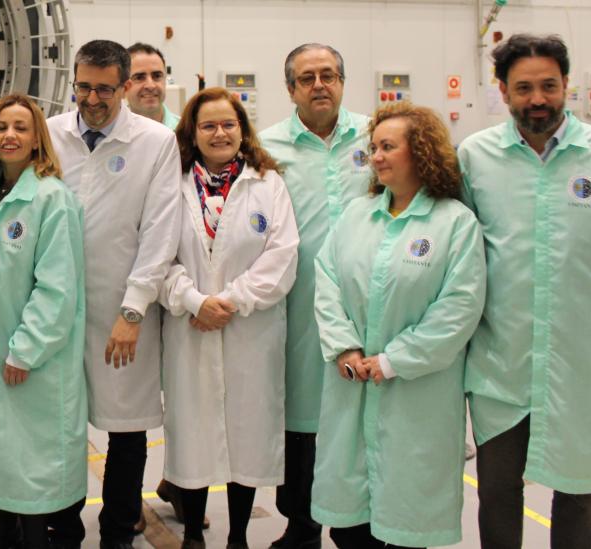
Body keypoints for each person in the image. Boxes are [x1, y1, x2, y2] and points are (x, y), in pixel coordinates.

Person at [458, 34, 591, 549]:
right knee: (498, 489)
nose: (537, 99)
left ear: (566, 85)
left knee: (579, 487)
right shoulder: (475, 158)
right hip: (500, 360)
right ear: (503, 91)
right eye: (524, 88)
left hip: (585, 360)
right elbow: (457, 258)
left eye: (549, 85)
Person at [312, 102, 486, 549]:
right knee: (349, 524)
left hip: (418, 393)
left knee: (409, 518)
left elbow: (458, 309)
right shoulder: (357, 215)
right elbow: (327, 279)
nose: (376, 157)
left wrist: (392, 361)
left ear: (421, 152)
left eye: (388, 147)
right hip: (352, 382)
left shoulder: (454, 224)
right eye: (373, 148)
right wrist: (345, 346)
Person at [47, 39, 182, 549]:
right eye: (84, 87)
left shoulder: (153, 141)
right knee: (59, 422)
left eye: (105, 89)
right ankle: (61, 526)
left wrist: (133, 308)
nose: (93, 98)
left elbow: (160, 231)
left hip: (122, 307)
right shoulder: (53, 133)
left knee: (126, 428)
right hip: (57, 306)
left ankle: (118, 530)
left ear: (125, 86)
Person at [160, 87, 299, 549]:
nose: (219, 133)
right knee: (194, 433)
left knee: (248, 434)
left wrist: (230, 301)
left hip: (250, 330)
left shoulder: (267, 182)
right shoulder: (172, 182)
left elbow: (283, 255)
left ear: (242, 130)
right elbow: (156, 256)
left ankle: (238, 536)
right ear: (192, 133)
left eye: (228, 124)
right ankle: (193, 538)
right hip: (190, 326)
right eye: (208, 125)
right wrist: (193, 300)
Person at [257, 42, 371, 549]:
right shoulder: (267, 148)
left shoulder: (376, 136)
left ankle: (357, 526)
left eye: (329, 75)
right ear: (290, 89)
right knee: (300, 418)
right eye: (307, 78)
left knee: (357, 420)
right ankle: (300, 525)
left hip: (369, 303)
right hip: (296, 304)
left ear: (343, 82)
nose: (319, 84)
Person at [0, 93, 88, 549]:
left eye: (21, 127)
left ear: (38, 139)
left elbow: (57, 288)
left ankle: (33, 539)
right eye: (1, 128)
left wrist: (25, 349)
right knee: (4, 457)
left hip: (30, 359)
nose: (9, 136)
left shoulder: (52, 199)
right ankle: (8, 533)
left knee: (32, 466)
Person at [126, 42, 179, 130]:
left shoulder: (186, 132)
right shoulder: (109, 133)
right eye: (139, 77)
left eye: (157, 76)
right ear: (123, 85)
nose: (150, 86)